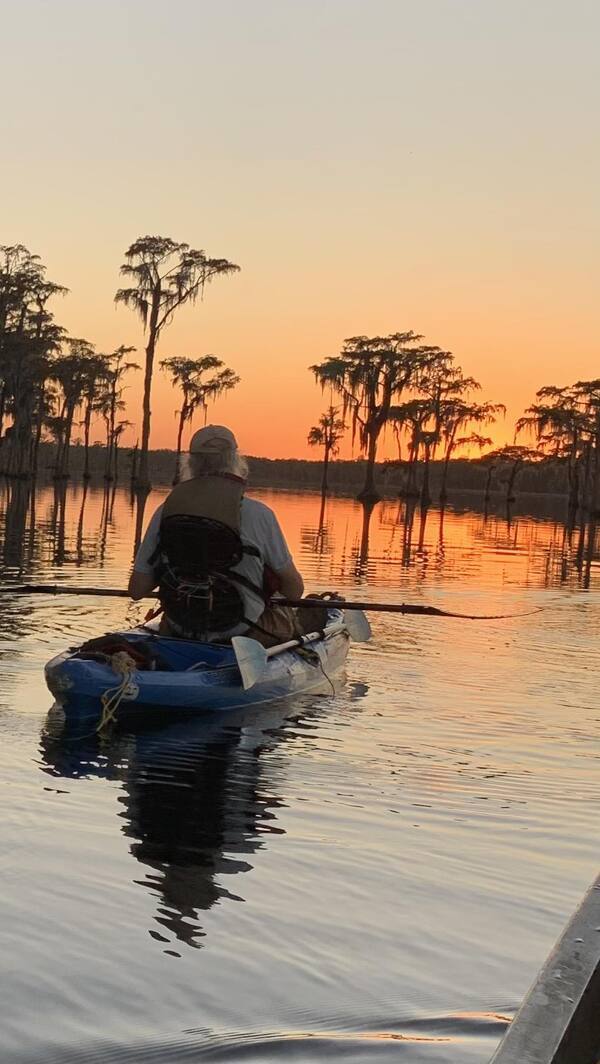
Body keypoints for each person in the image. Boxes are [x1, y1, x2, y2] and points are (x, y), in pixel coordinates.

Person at [128, 425, 305, 646]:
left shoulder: (167, 510)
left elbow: (137, 590)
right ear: (235, 462)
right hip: (243, 632)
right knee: (288, 617)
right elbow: (294, 591)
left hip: (180, 627)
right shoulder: (260, 514)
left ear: (190, 463)